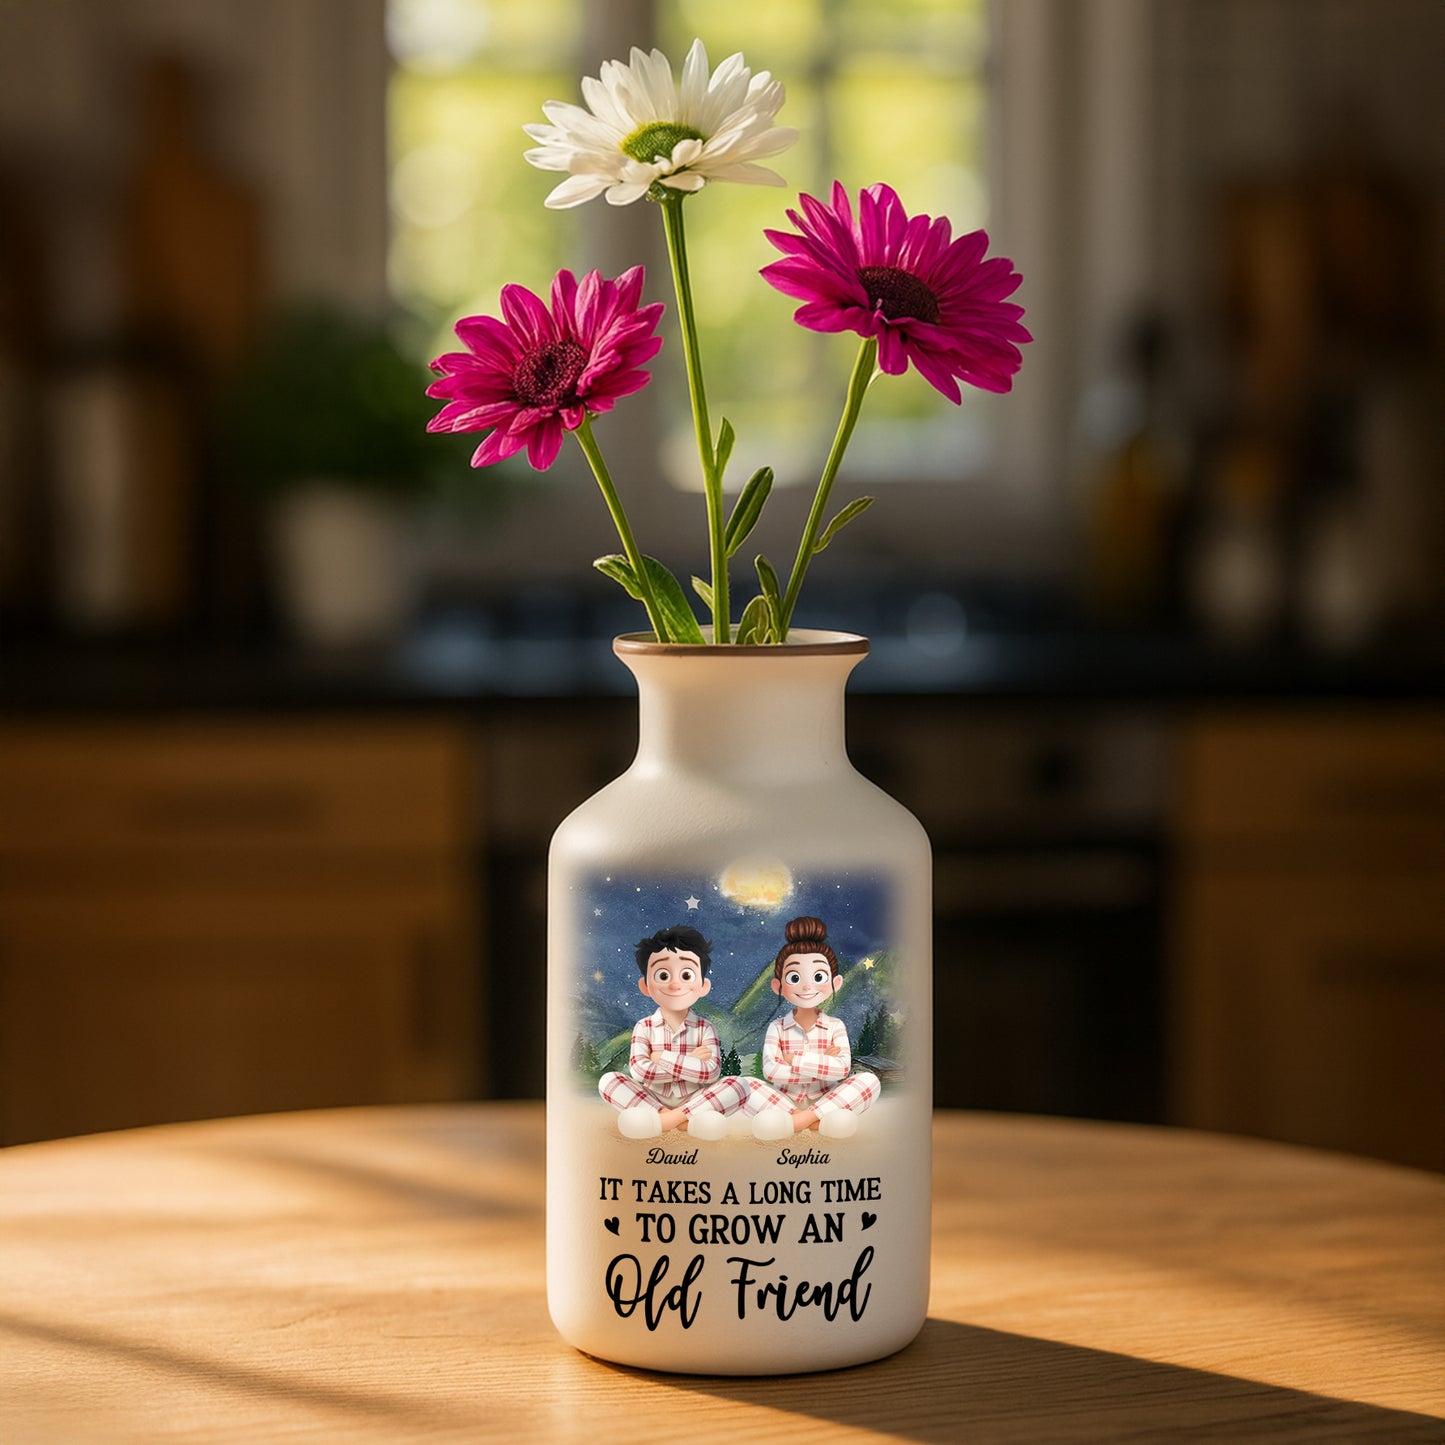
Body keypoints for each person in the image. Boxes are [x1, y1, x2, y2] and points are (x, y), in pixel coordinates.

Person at [597, 925, 749, 1140]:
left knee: (738, 1085)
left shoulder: (705, 1028)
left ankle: (663, 1122)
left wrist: (661, 1058)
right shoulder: (644, 1026)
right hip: (651, 1097)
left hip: (695, 1097)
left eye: (686, 975)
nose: (675, 984)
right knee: (609, 1081)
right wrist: (689, 1062)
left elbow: (711, 1072)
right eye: (663, 975)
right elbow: (639, 1071)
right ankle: (685, 1123)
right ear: (646, 986)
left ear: (703, 986)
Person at [747, 916, 880, 1140]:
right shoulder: (777, 1028)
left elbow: (842, 1069)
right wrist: (821, 1063)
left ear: (835, 983)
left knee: (870, 1080)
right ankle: (817, 1123)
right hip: (785, 1102)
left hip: (827, 1099)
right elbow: (771, 1071)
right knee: (744, 1085)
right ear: (778, 986)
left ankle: (798, 1122)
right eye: (794, 977)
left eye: (818, 976)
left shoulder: (835, 1026)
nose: (807, 986)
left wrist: (795, 1060)